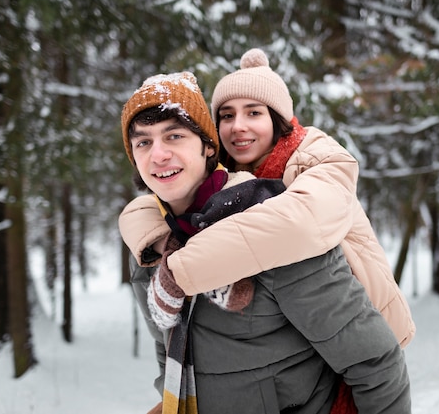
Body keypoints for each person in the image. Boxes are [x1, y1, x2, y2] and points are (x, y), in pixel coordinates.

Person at [120, 71, 411, 413]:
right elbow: (168, 353)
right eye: (143, 142)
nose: (159, 155)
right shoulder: (151, 245)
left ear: (208, 146)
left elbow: (377, 364)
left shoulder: (277, 232)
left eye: (174, 136)